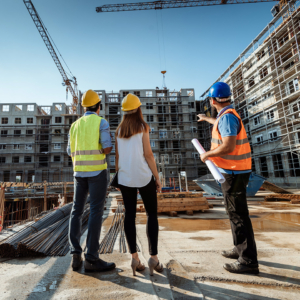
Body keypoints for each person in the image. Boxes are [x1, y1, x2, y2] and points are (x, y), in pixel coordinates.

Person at [197, 82, 259, 274]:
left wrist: (208, 154)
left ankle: (248, 261)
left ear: (213, 100)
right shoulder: (226, 115)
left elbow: (229, 146)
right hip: (234, 172)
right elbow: (218, 124)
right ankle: (238, 249)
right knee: (234, 214)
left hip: (233, 173)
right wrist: (206, 118)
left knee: (239, 216)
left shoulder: (227, 118)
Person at [67, 89, 116, 272]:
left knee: (76, 211)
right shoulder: (101, 122)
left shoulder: (74, 126)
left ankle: (75, 255)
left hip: (79, 173)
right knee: (95, 211)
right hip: (97, 173)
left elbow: (69, 151)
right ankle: (92, 259)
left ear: (84, 107)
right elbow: (107, 148)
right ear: (99, 107)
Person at [115, 93, 163, 276]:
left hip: (126, 178)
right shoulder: (143, 127)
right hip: (143, 176)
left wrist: (119, 176)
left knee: (130, 216)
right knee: (152, 214)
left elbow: (118, 157)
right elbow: (148, 154)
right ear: (138, 109)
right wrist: (157, 178)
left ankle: (135, 258)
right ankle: (154, 258)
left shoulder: (119, 130)